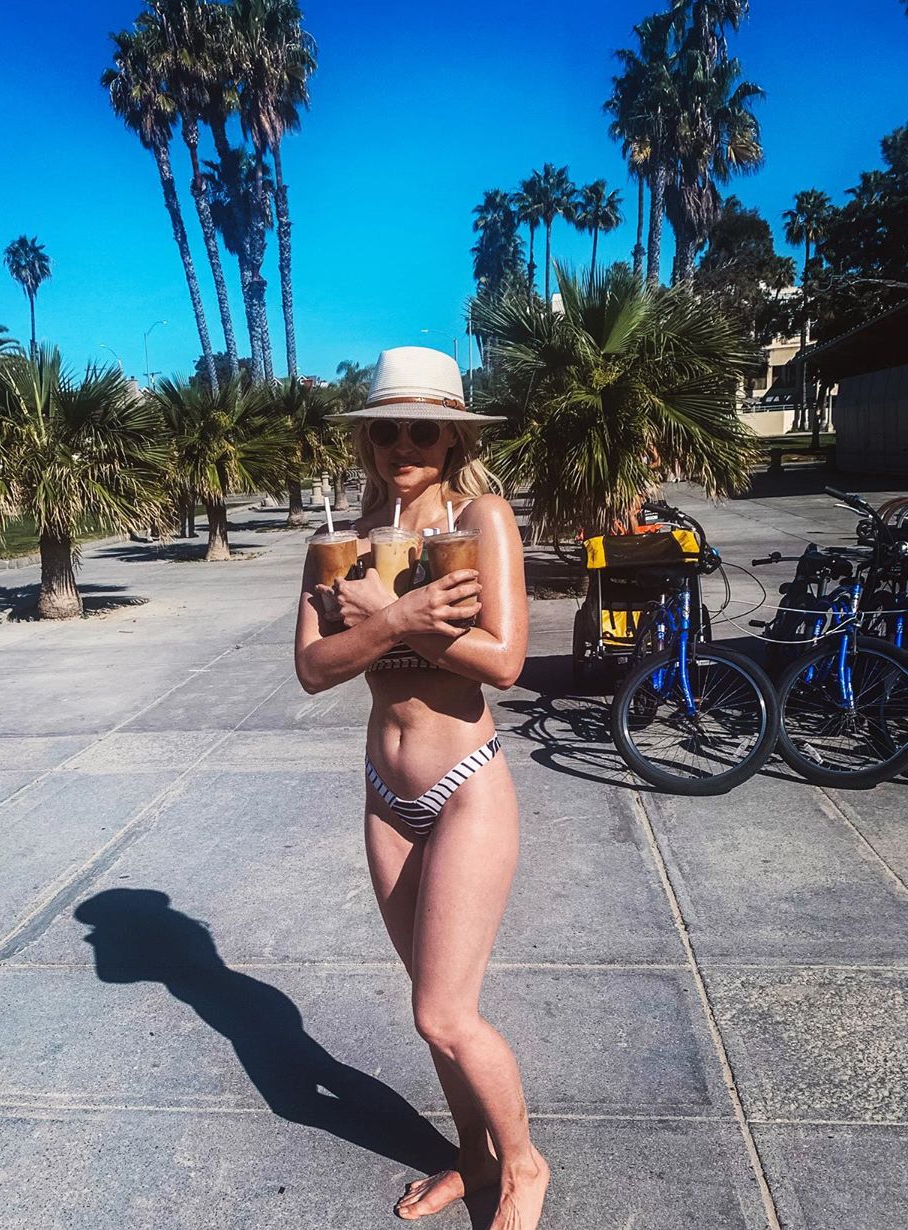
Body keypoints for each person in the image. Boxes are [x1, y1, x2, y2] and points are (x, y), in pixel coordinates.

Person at [294, 347, 549, 1228]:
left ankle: (523, 1167)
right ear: (366, 440)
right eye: (386, 430)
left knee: (444, 1013)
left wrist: (392, 619)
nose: (402, 444)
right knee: (428, 1006)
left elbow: (505, 662)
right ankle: (474, 1159)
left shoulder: (481, 518)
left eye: (422, 429)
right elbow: (313, 668)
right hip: (386, 798)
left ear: (452, 439)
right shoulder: (342, 541)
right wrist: (393, 616)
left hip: (465, 784)